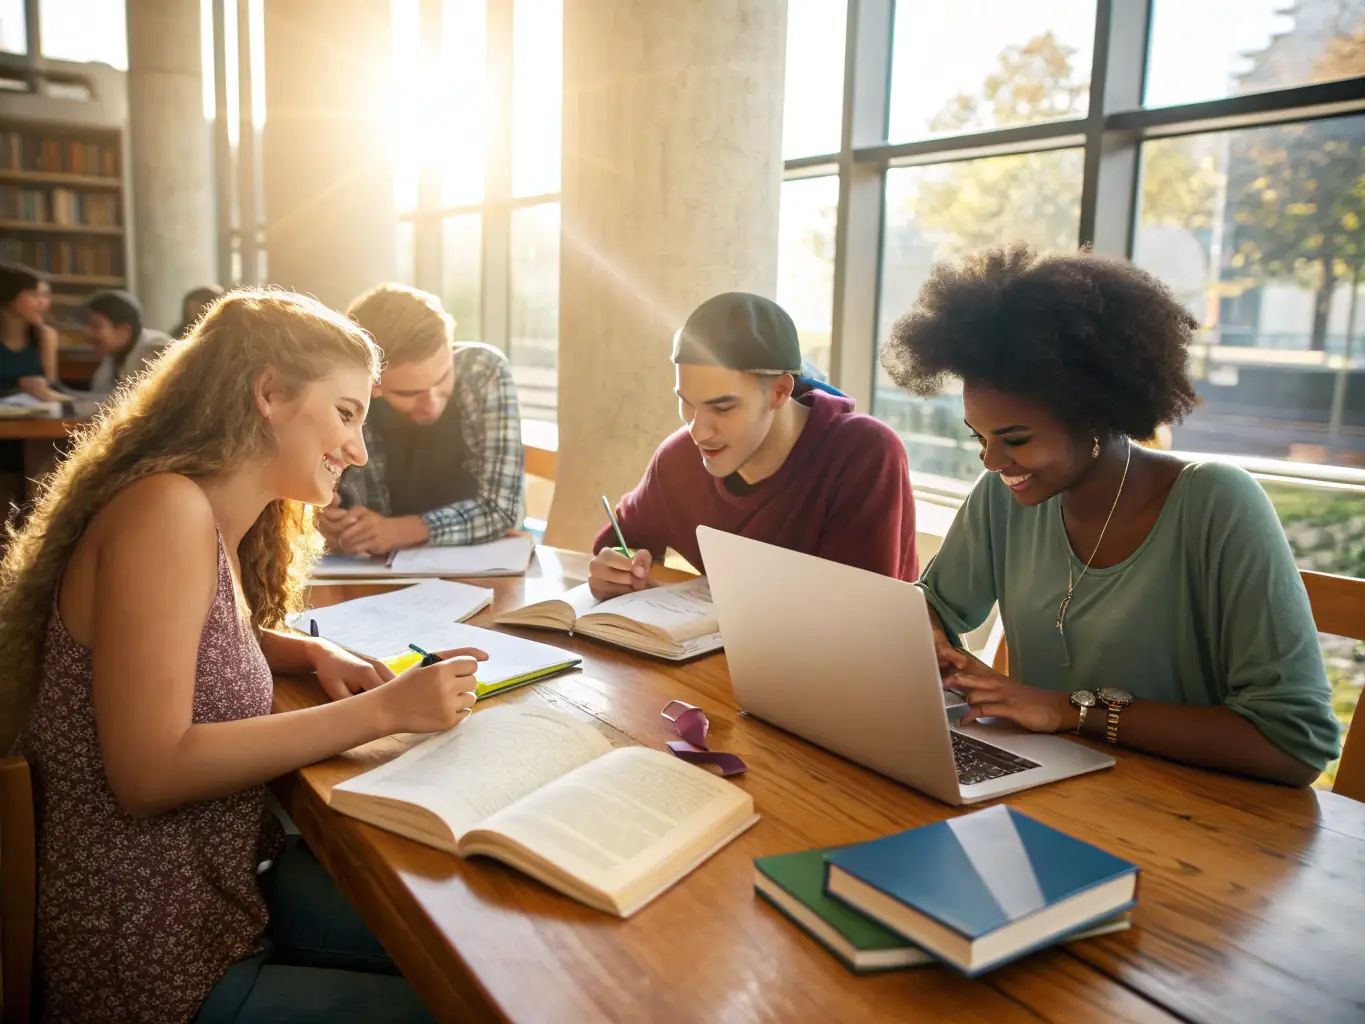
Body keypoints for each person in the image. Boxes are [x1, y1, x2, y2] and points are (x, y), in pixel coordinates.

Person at [0, 290, 487, 1022]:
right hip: (153, 962)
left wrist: (298, 652)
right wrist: (380, 710)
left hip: (219, 902)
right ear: (268, 394)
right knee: (463, 997)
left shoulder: (200, 511)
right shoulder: (165, 512)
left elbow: (175, 635)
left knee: (469, 935)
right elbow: (148, 772)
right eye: (347, 413)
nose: (357, 448)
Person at [883, 243, 1339, 787]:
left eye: (1016, 439)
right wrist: (926, 632)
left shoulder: (1215, 503)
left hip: (1197, 815)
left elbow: (1296, 742)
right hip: (1052, 790)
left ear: (1097, 415)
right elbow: (932, 605)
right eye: (978, 436)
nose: (992, 459)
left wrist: (1066, 710)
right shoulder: (1002, 496)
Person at [588, 292, 918, 601]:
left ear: (778, 392)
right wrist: (615, 569)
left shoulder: (864, 454)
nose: (698, 430)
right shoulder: (679, 460)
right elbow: (620, 545)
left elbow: (858, 617)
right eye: (687, 403)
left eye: (723, 408)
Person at [320, 284, 524, 557]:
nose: (431, 405)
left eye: (442, 379)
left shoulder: (484, 371)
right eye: (409, 393)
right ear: (370, 383)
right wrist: (322, 517)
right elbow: (325, 503)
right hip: (373, 573)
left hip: (482, 567)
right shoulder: (343, 395)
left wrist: (399, 531)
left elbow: (501, 509)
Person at [85, 289, 172, 395]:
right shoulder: (114, 355)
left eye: (96, 326)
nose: (88, 333)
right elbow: (100, 397)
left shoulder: (158, 348)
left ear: (123, 330)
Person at [0, 261, 61, 400]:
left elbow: (50, 389)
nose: (44, 303)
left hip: (32, 417)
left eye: (46, 296)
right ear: (10, 296)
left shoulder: (46, 336)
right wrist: (18, 387)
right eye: (35, 295)